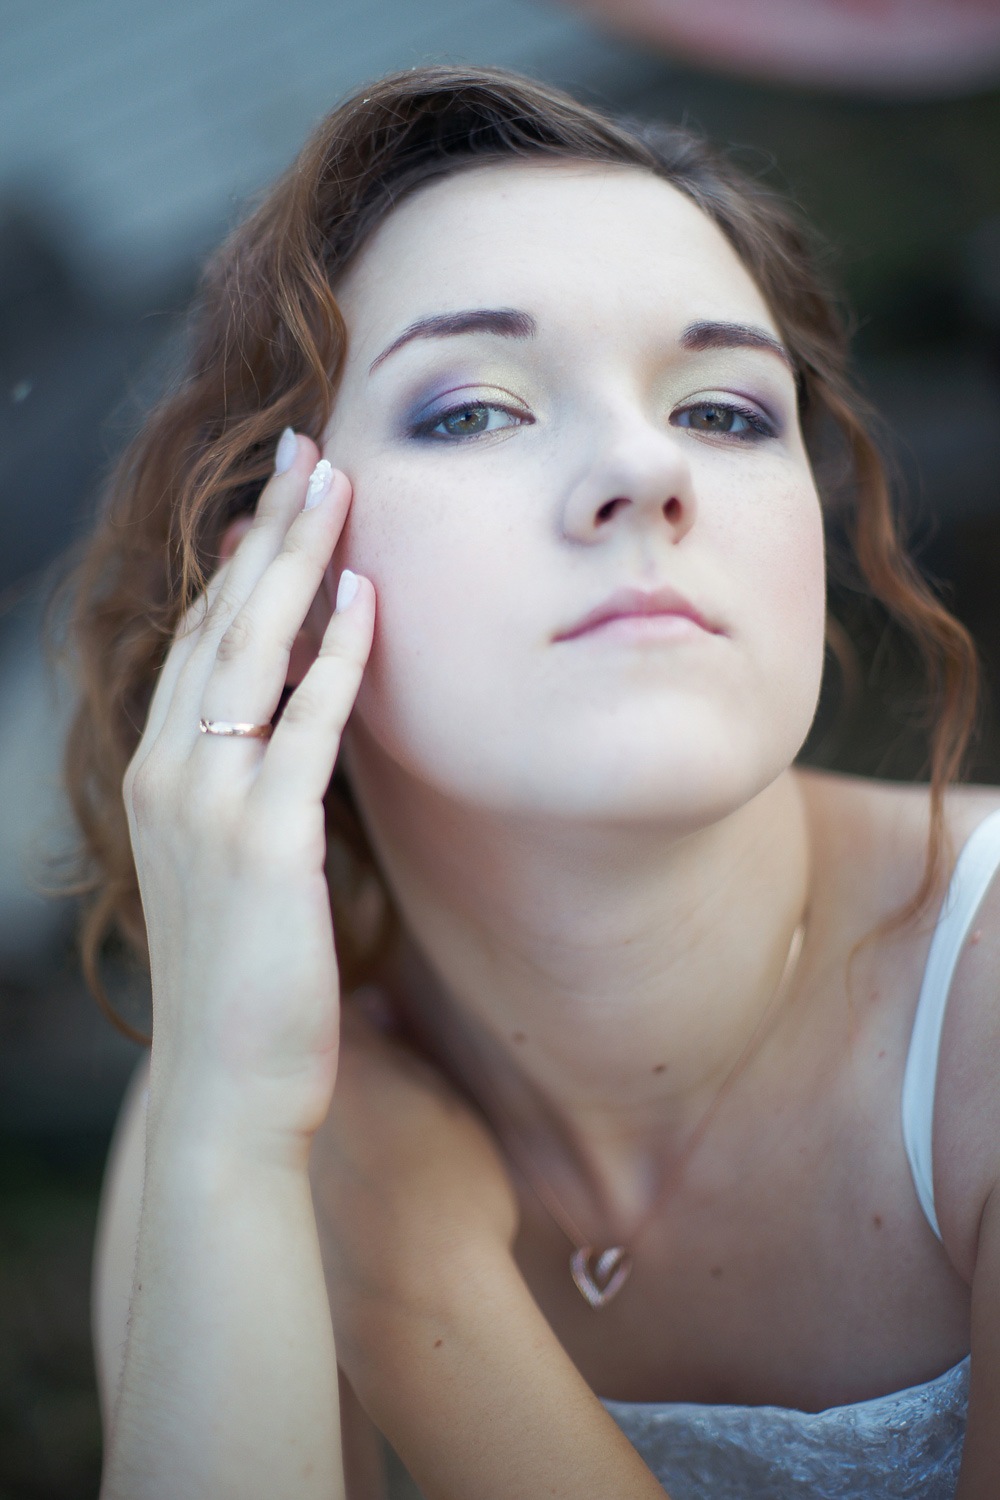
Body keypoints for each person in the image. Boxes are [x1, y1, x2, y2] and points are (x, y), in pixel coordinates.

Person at [65, 64, 997, 1499]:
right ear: (272, 592)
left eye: (725, 412)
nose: (645, 467)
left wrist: (416, 1289)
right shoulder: (245, 1096)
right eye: (474, 410)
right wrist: (237, 1140)